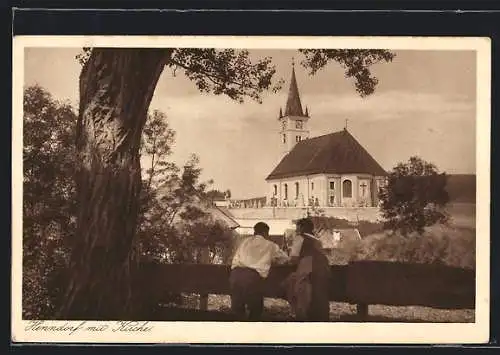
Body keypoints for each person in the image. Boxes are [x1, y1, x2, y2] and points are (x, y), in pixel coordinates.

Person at [229, 222, 290, 320]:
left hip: (236, 276)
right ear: (266, 233)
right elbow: (285, 260)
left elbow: (236, 258)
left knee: (237, 309)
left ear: (254, 232)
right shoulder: (270, 245)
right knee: (256, 310)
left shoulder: (244, 242)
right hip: (252, 279)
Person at [283, 217, 331, 321]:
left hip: (308, 267)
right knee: (319, 296)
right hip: (323, 268)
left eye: (297, 227)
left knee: (299, 291)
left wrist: (287, 261)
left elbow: (294, 259)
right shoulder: (317, 241)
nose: (296, 230)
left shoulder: (300, 238)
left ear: (302, 228)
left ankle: (299, 315)